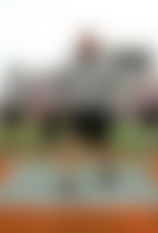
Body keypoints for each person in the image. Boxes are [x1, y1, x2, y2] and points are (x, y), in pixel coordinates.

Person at [49, 32, 121, 197]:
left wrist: (113, 105)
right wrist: (62, 105)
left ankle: (108, 171)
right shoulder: (70, 67)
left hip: (99, 111)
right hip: (78, 111)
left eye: (89, 45)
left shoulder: (105, 66)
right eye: (83, 45)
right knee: (71, 144)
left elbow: (112, 89)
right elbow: (63, 87)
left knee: (102, 146)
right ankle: (67, 180)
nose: (85, 48)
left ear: (95, 48)